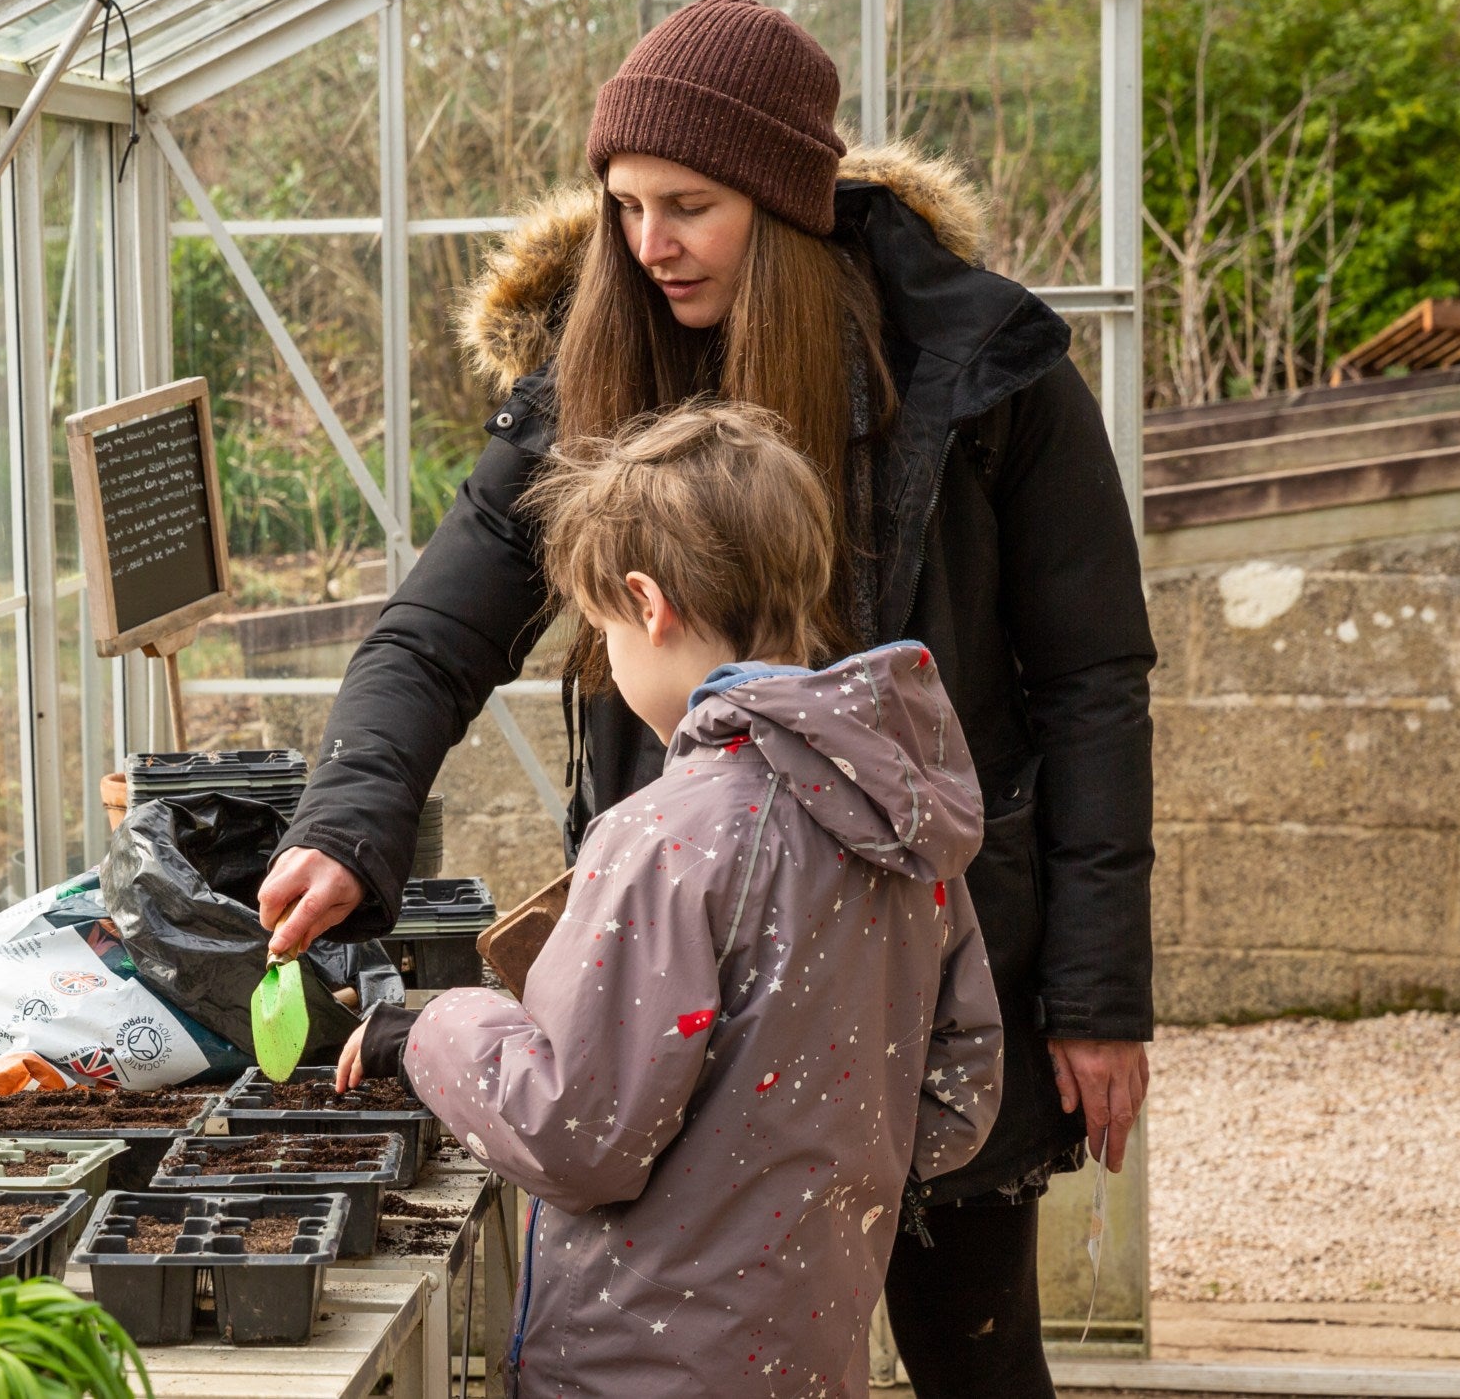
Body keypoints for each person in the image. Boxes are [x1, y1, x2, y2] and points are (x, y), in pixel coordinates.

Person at [259, 0, 1154, 1398]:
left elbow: (1095, 678)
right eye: (623, 205)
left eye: (691, 206)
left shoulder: (982, 375)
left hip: (910, 969)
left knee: (976, 1353)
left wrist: (1098, 995)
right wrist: (344, 825)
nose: (648, 244)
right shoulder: (595, 381)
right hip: (689, 977)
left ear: (789, 203)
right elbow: (434, 631)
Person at [337, 402, 1005, 1397]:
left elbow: (577, 1133)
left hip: (634, 1368)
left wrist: (426, 1034)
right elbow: (957, 1094)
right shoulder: (905, 828)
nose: (605, 654)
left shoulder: (666, 840)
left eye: (598, 627)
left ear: (647, 605)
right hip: (809, 1354)